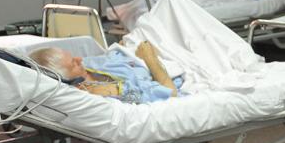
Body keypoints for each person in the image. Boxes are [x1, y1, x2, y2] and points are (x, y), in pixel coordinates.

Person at [30, 42, 181, 104]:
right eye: (73, 64)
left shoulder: (86, 66)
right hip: (165, 65)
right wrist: (150, 58)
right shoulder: (109, 92)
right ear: (68, 81)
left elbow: (112, 56)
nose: (79, 59)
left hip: (140, 51)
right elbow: (170, 93)